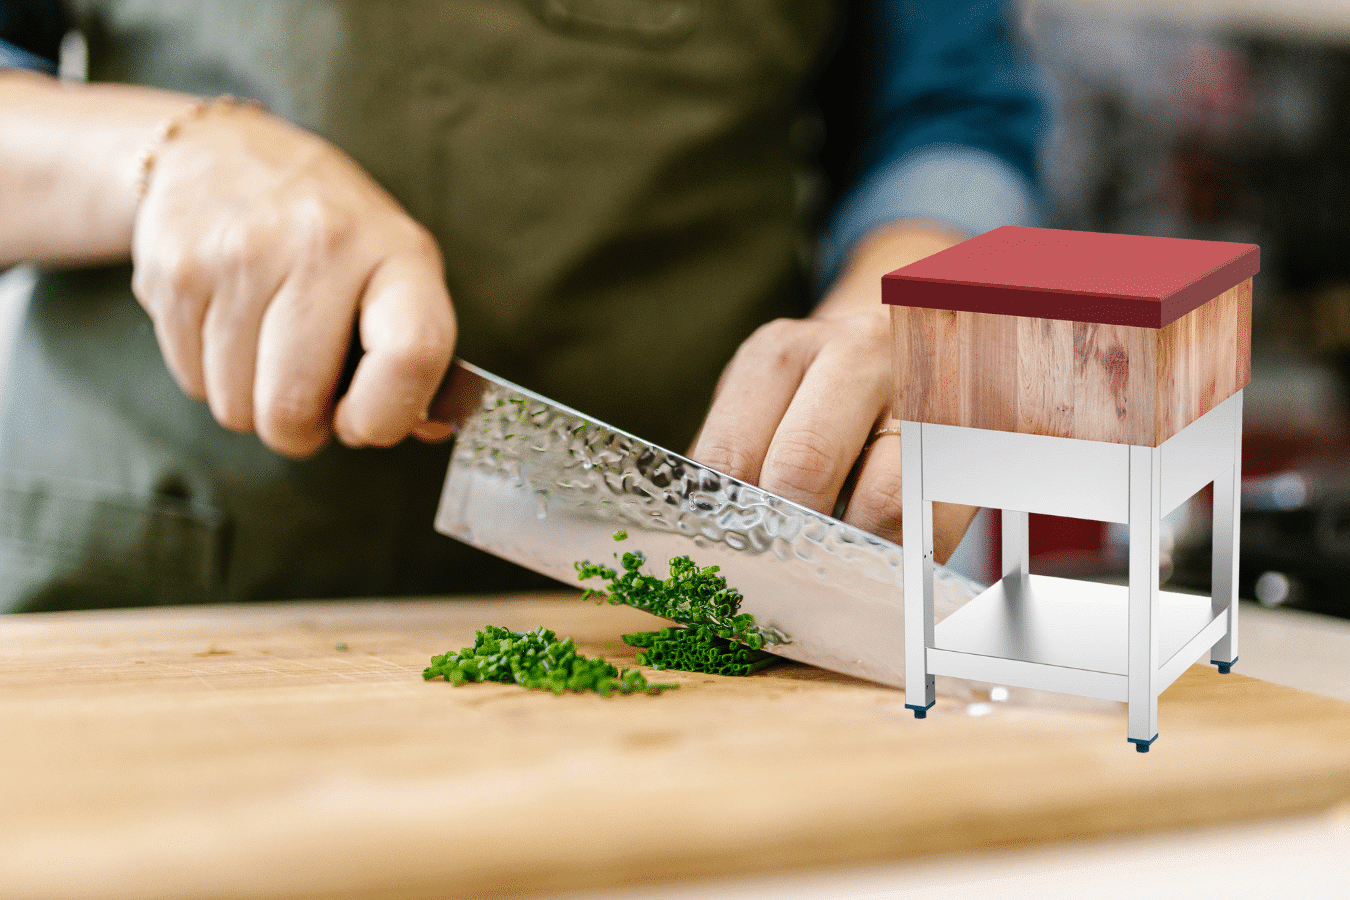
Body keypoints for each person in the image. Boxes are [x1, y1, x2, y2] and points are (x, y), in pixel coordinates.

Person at [0, 0, 1044, 612]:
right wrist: (163, 162)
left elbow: (950, 116)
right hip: (142, 587)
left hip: (686, 595)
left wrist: (919, 303)